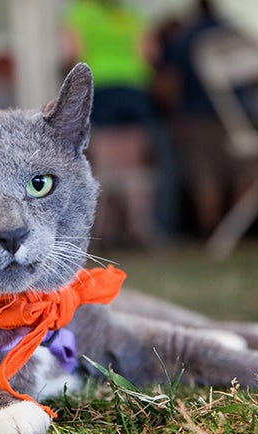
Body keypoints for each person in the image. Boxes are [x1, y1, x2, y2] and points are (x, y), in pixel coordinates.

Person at [61, 0, 159, 249]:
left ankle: (107, 231)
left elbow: (70, 53)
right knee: (135, 167)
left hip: (99, 88)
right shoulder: (134, 14)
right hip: (132, 88)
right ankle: (140, 227)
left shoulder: (79, 13)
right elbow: (149, 54)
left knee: (104, 166)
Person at [166, 0, 242, 238]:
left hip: (197, 114)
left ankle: (212, 230)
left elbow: (173, 84)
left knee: (206, 176)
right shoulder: (232, 32)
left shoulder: (186, 38)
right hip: (236, 116)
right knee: (239, 172)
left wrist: (174, 116)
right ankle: (239, 227)